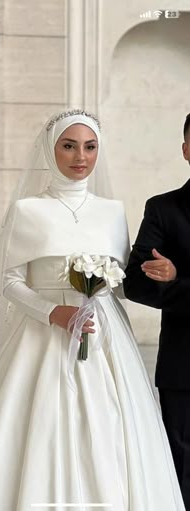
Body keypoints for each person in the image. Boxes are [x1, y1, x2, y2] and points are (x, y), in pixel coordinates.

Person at [0, 110, 186, 511]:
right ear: (51, 148)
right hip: (43, 334)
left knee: (112, 430)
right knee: (39, 429)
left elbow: (122, 280)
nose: (81, 156)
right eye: (69, 145)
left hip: (103, 337)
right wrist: (52, 312)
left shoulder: (113, 210)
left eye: (90, 146)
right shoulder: (27, 210)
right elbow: (9, 282)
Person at [123, 113, 190, 510]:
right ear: (186, 151)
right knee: (182, 470)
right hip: (185, 368)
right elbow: (134, 282)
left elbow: (166, 283)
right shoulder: (163, 209)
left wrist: (179, 280)